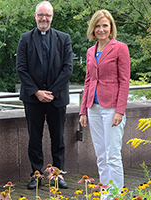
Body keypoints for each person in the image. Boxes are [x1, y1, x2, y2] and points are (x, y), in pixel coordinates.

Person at [16, 1, 73, 190]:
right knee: (34, 138)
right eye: (41, 15)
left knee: (58, 138)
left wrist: (52, 93)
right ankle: (36, 175)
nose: (44, 18)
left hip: (57, 98)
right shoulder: (25, 39)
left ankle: (58, 175)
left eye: (47, 15)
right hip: (33, 98)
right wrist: (37, 92)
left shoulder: (64, 38)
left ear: (52, 17)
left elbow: (68, 69)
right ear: (35, 16)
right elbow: (21, 69)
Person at [79, 10, 130, 190]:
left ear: (111, 28)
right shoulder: (90, 51)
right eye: (98, 26)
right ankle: (106, 193)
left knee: (113, 156)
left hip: (111, 108)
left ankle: (116, 194)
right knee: (101, 156)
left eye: (105, 26)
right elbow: (88, 81)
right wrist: (83, 110)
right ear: (93, 29)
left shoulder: (120, 48)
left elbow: (124, 81)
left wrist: (119, 111)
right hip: (93, 108)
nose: (101, 29)